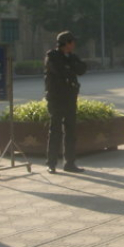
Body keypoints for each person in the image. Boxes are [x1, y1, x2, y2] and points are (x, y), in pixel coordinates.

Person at [45, 31, 87, 174]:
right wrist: (70, 67)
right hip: (56, 98)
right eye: (72, 42)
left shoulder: (72, 57)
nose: (74, 44)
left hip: (70, 98)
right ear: (66, 43)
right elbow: (61, 71)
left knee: (71, 131)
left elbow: (82, 69)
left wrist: (70, 66)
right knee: (55, 130)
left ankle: (70, 162)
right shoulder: (52, 57)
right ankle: (51, 163)